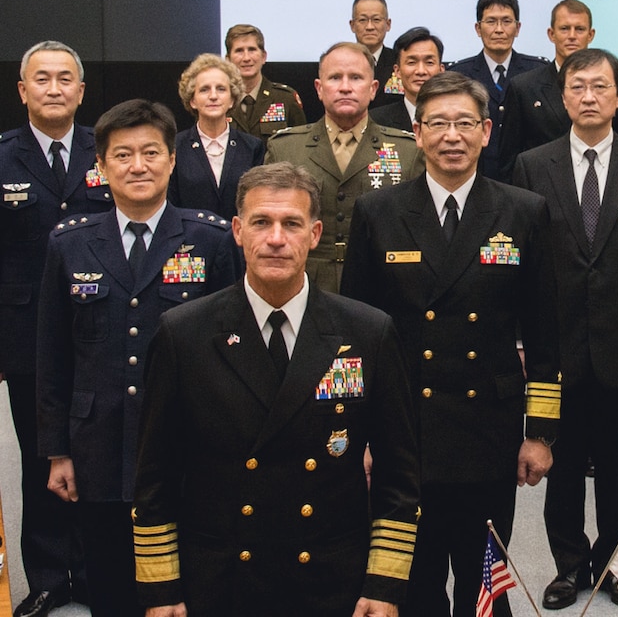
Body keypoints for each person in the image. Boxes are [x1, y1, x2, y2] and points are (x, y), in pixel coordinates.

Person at [132, 163, 420, 617]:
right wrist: (162, 589)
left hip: (329, 576)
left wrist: (383, 583)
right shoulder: (184, 333)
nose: (276, 239)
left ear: (316, 233)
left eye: (292, 224)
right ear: (237, 231)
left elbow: (398, 476)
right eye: (262, 222)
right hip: (221, 576)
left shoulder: (367, 332)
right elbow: (155, 476)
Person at [342, 71, 560, 617]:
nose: (452, 135)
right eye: (437, 123)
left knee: (483, 584)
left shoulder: (522, 211)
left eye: (465, 122)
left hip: (489, 424)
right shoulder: (379, 212)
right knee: (412, 582)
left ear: (486, 131)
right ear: (417, 134)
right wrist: (357, 434)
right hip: (404, 425)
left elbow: (544, 330)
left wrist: (542, 435)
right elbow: (353, 338)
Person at [37, 99, 240, 617]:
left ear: (173, 160)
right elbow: (53, 356)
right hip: (99, 443)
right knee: (108, 582)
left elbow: (233, 350)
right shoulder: (70, 243)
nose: (138, 166)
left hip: (189, 441)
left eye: (151, 152)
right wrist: (58, 451)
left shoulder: (209, 238)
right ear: (101, 168)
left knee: (190, 583)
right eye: (122, 155)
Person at [513, 48, 618, 611]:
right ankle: (567, 566)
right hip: (555, 345)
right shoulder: (533, 164)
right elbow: (527, 258)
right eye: (577, 87)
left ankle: (613, 565)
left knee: (617, 465)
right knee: (561, 462)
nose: (589, 97)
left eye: (601, 87)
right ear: (562, 97)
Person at [0, 42, 104, 617]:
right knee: (41, 456)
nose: (55, 88)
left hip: (98, 326)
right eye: (42, 79)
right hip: (23, 336)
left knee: (91, 451)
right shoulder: (3, 156)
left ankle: (91, 572)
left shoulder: (106, 149)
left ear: (81, 91)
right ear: (23, 90)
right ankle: (46, 576)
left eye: (66, 78)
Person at [265, 42, 420, 292]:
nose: (345, 87)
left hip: (381, 282)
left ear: (373, 89)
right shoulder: (285, 149)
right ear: (319, 88)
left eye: (356, 78)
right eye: (335, 77)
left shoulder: (408, 151)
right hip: (306, 283)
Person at [498, 0, 618, 180]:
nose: (572, 36)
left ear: (591, 34)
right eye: (564, 28)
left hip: (604, 186)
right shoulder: (523, 87)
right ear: (551, 34)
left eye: (579, 29)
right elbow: (509, 161)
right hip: (540, 193)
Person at [449, 0, 547, 177]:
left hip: (525, 177)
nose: (499, 30)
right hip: (476, 176)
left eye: (506, 21)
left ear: (517, 28)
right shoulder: (459, 74)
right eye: (491, 21)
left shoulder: (538, 71)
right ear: (478, 28)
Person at [170, 53, 264, 221]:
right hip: (190, 243)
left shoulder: (252, 147)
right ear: (192, 100)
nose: (213, 96)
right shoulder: (175, 146)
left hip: (239, 243)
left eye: (221, 89)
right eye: (204, 89)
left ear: (232, 100)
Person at [225, 23, 306, 146]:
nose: (246, 58)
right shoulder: (219, 101)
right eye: (239, 51)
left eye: (252, 50)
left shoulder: (285, 99)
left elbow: (302, 147)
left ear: (263, 56)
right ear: (228, 60)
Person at [371, 26, 446, 132]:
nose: (420, 71)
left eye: (429, 63)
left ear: (441, 70)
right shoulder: (375, 121)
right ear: (397, 71)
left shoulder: (457, 118)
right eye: (412, 62)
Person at [349, 0, 401, 107]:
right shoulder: (341, 61)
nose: (370, 27)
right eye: (362, 20)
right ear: (352, 25)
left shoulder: (399, 61)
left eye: (376, 20)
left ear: (388, 24)